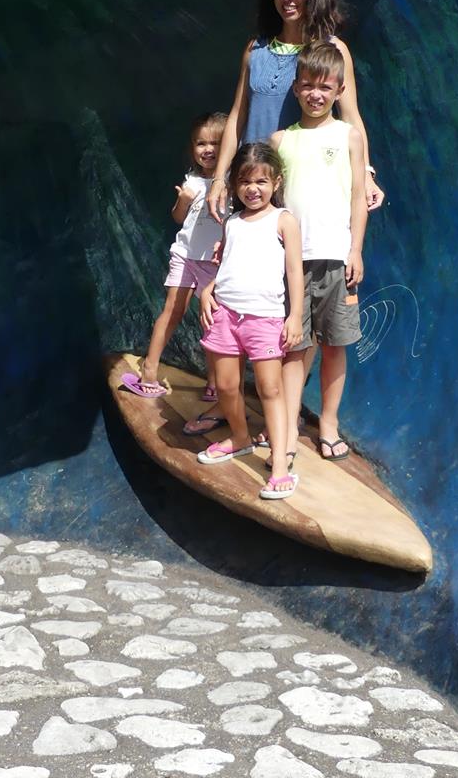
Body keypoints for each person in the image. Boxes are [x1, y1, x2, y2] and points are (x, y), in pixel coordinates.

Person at [207, 0, 384, 223]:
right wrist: (220, 178)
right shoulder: (255, 49)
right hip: (254, 187)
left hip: (304, 189)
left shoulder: (333, 50)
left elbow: (351, 118)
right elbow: (237, 117)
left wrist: (366, 174)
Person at [271, 43, 367, 461]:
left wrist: (356, 250)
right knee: (295, 346)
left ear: (339, 90)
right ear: (296, 89)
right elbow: (271, 202)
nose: (315, 94)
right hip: (292, 262)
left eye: (325, 88)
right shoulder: (280, 140)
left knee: (335, 344)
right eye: (308, 86)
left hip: (336, 257)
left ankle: (328, 422)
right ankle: (288, 425)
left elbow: (360, 195)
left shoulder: (349, 135)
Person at [196, 143, 304, 500]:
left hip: (265, 319)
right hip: (225, 315)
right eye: (244, 181)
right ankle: (240, 438)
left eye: (261, 180)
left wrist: (295, 316)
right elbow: (228, 265)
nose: (253, 188)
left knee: (270, 389)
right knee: (227, 387)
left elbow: (293, 271)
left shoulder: (283, 220)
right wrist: (208, 290)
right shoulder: (232, 222)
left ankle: (279, 466)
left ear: (276, 181)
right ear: (234, 184)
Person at [120, 112, 228, 405]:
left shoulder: (231, 181)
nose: (207, 149)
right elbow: (179, 219)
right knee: (171, 311)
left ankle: (215, 382)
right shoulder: (191, 180)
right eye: (200, 143)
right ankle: (150, 373)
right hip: (185, 255)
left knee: (212, 321)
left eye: (215, 143)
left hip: (214, 263)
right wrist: (182, 202)